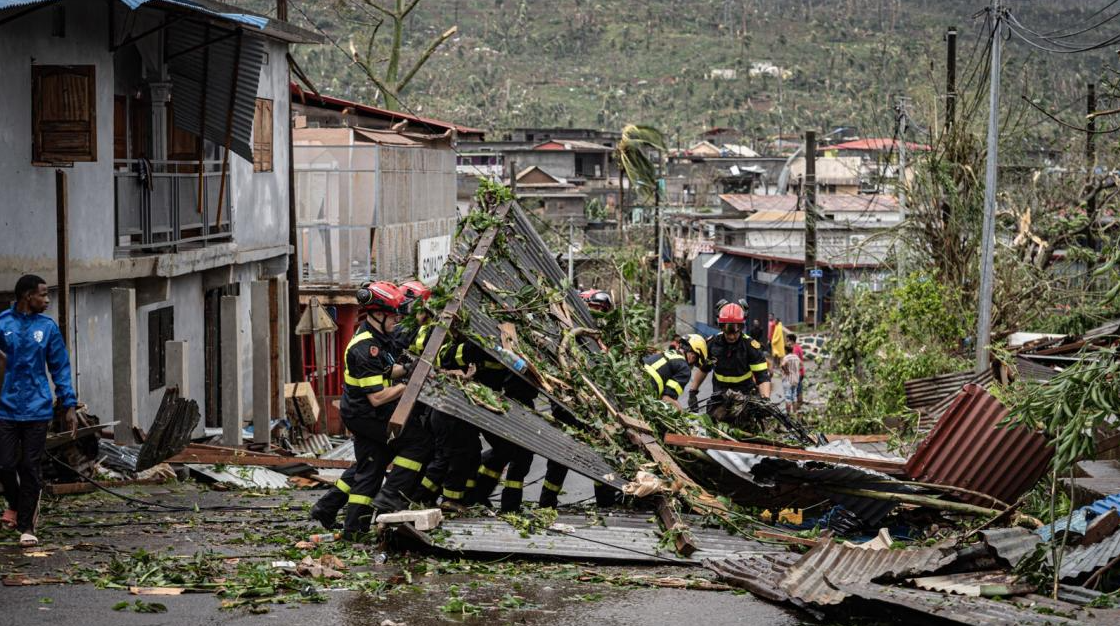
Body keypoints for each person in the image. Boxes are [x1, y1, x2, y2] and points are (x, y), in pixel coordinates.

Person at [0, 275, 78, 548]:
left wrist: (68, 405)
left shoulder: (47, 328)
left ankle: (26, 526)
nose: (47, 300)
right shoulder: (2, 324)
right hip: (5, 408)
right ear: (26, 296)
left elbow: (60, 367)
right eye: (43, 295)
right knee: (5, 465)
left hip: (37, 408)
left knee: (30, 467)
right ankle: (17, 505)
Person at [690, 302, 771, 410]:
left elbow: (762, 377)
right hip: (720, 397)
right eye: (728, 333)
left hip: (745, 396)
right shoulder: (712, 344)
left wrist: (765, 400)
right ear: (721, 328)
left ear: (741, 328)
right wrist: (693, 392)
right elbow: (704, 369)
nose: (732, 337)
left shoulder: (751, 347)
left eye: (735, 333)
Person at [647, 334, 706, 407]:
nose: (692, 367)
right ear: (693, 357)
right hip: (646, 392)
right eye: (694, 363)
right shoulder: (685, 369)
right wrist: (682, 412)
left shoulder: (665, 353)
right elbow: (666, 399)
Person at [780, 346, 802, 416]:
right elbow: (801, 365)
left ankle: (788, 415)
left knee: (788, 397)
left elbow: (783, 365)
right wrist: (796, 370)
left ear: (786, 350)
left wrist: (786, 370)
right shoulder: (796, 357)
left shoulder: (786, 358)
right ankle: (794, 413)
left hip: (788, 379)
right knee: (794, 397)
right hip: (795, 379)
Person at [788, 333, 807, 410]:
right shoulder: (798, 347)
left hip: (798, 373)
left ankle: (798, 407)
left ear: (791, 341)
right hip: (801, 372)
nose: (787, 342)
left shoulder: (795, 349)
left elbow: (795, 362)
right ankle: (799, 406)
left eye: (788, 340)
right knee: (799, 388)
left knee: (797, 390)